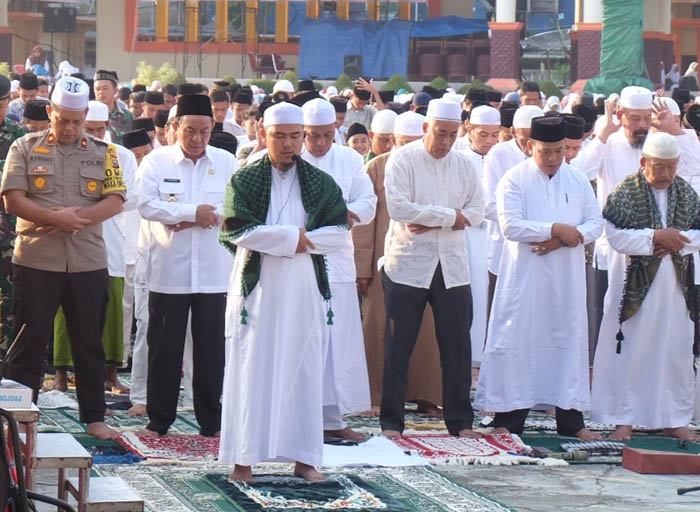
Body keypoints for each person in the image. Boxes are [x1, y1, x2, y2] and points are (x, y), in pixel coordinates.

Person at [218, 102, 349, 482]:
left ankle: (305, 459)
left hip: (303, 287)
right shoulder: (245, 179)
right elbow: (239, 230)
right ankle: (244, 460)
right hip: (258, 289)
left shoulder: (320, 183)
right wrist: (299, 238)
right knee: (251, 367)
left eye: (296, 136)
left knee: (303, 367)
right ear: (263, 134)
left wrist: (295, 241)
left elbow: (338, 234)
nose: (289, 145)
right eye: (280, 137)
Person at [1, 76, 126, 440]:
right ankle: (21, 417)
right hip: (36, 260)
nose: (70, 128)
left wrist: (75, 220)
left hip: (87, 262)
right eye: (63, 120)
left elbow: (116, 200)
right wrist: (54, 218)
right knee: (28, 341)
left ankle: (94, 417)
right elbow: (12, 198)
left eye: (77, 121)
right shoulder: (25, 147)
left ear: (86, 115)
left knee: (89, 342)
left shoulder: (106, 152)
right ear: (50, 112)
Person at [476, 116, 604, 440]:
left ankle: (572, 421)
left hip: (566, 281)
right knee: (521, 341)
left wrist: (560, 239)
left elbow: (595, 223)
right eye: (546, 151)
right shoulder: (514, 180)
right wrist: (553, 229)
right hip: (525, 279)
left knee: (566, 340)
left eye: (559, 151)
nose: (553, 159)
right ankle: (509, 417)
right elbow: (511, 226)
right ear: (530, 146)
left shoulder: (576, 179)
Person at [381, 99, 485, 439]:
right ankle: (392, 423)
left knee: (457, 347)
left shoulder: (466, 165)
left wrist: (430, 218)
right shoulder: (403, 159)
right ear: (427, 127)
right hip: (407, 263)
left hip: (453, 266)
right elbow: (399, 208)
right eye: (440, 133)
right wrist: (450, 217)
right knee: (399, 346)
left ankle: (460, 422)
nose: (445, 142)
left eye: (452, 135)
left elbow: (477, 212)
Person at [137, 94, 236, 437]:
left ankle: (212, 422)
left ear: (213, 129)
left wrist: (195, 216)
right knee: (165, 349)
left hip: (214, 274)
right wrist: (192, 213)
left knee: (211, 352)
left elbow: (235, 208)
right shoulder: (156, 162)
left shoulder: (226, 162)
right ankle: (159, 420)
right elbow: (147, 205)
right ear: (174, 128)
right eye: (190, 130)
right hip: (169, 272)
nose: (197, 138)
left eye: (204, 131)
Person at [592, 132, 700, 442]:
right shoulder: (625, 193)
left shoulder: (688, 194)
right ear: (644, 162)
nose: (666, 174)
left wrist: (674, 240)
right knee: (630, 352)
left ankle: (674, 418)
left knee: (675, 352)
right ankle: (623, 420)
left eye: (671, 167)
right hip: (632, 292)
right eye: (659, 167)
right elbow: (614, 236)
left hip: (676, 292)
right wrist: (654, 238)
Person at [353, 111, 443, 416]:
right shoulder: (377, 167)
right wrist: (362, 269)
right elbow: (365, 224)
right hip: (385, 260)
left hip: (429, 259)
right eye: (405, 142)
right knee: (380, 327)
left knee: (427, 331)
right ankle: (375, 396)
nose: (410, 148)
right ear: (394, 141)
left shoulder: (437, 168)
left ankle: (427, 395)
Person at [300, 98, 376, 441]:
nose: (319, 143)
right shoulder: (289, 158)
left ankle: (333, 419)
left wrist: (346, 213)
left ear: (337, 131)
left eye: (326, 135)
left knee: (336, 342)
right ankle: (296, 418)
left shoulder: (349, 158)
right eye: (312, 136)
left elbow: (369, 202)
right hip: (297, 261)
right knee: (300, 339)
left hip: (338, 263)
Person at [52, 100, 137, 394]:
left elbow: (130, 197)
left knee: (111, 312)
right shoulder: (67, 152)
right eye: (91, 129)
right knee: (66, 311)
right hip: (68, 238)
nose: (96, 134)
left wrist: (95, 208)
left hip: (112, 241)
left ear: (107, 127)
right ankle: (61, 374)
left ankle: (111, 376)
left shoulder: (119, 155)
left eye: (100, 129)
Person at [483, 105, 543, 317]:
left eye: (534, 138)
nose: (529, 145)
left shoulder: (548, 154)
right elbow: (487, 205)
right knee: (501, 314)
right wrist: (521, 220)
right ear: (512, 133)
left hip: (541, 248)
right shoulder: (499, 154)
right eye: (524, 138)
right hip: (504, 247)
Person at [457, 105, 501, 366]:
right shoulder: (457, 157)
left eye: (495, 135)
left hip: (496, 237)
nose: (489, 141)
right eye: (483, 134)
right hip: (466, 237)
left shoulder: (503, 156)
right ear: (469, 129)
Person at [120, 128, 154, 416]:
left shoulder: (161, 167)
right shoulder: (123, 172)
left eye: (146, 154)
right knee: (144, 327)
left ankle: (195, 397)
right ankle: (140, 394)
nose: (142, 161)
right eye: (136, 156)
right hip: (134, 256)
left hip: (162, 259)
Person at [94, 70, 133, 145]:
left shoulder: (128, 116)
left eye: (105, 88)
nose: (101, 92)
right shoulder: (87, 115)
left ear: (115, 91)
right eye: (97, 89)